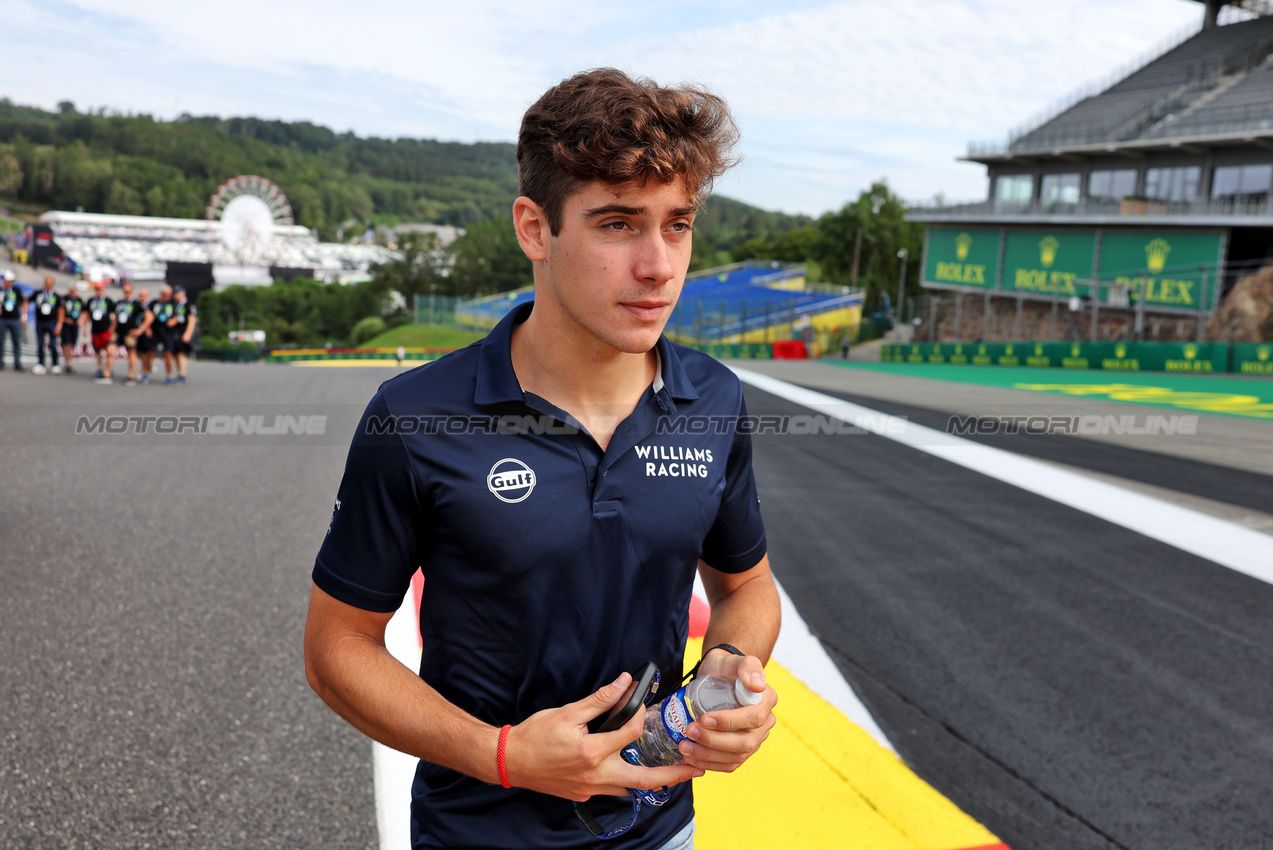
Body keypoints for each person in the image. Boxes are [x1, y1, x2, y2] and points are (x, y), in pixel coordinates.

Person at [305, 68, 780, 850]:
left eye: (678, 224)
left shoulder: (714, 398)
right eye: (618, 224)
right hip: (477, 836)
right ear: (535, 229)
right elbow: (336, 648)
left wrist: (729, 668)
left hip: (660, 831)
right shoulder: (414, 415)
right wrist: (504, 755)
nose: (659, 265)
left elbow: (747, 585)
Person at [112, 281, 150, 386]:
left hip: (131, 333)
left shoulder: (138, 304)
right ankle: (107, 374)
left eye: (128, 291)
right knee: (110, 350)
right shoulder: (119, 303)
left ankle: (132, 375)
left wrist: (141, 329)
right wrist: (112, 330)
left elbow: (149, 317)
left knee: (133, 353)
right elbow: (115, 318)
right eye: (125, 291)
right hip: (119, 331)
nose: (126, 293)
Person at [85, 280, 116, 384]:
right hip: (95, 329)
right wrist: (84, 328)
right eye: (97, 288)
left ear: (103, 289)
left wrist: (112, 329)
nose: (98, 291)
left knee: (109, 351)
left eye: (100, 289)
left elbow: (114, 316)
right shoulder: (91, 301)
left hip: (105, 329)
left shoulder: (108, 301)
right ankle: (99, 368)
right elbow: (86, 315)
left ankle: (108, 369)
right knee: (97, 350)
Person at [32, 276, 62, 375]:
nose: (48, 284)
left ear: (53, 284)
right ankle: (40, 363)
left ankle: (55, 364)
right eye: (46, 282)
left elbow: (61, 310)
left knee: (53, 344)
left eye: (50, 282)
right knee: (40, 343)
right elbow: (26, 300)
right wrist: (24, 315)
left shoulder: (56, 296)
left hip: (52, 322)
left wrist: (59, 325)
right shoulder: (38, 293)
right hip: (40, 321)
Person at [149, 285, 177, 385]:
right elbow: (148, 315)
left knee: (168, 353)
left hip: (167, 332)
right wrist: (147, 328)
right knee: (150, 352)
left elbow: (177, 316)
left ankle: (169, 375)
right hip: (155, 331)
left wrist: (174, 320)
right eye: (166, 295)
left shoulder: (173, 304)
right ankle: (146, 372)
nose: (168, 297)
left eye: (170, 295)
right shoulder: (154, 303)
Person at [0, 270, 27, 371]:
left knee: (16, 341)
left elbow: (24, 302)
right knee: (0, 341)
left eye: (12, 280)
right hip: (2, 319)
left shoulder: (16, 290)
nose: (10, 282)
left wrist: (24, 315)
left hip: (14, 319)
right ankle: (0, 362)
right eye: (8, 280)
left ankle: (17, 362)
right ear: (3, 280)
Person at [170, 286, 196, 384]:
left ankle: (182, 375)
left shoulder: (188, 305)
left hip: (183, 332)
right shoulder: (176, 305)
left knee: (181, 353)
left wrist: (188, 334)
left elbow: (192, 319)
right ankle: (179, 373)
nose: (176, 295)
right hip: (175, 333)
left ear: (183, 294)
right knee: (176, 354)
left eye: (178, 293)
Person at [58, 283, 86, 374]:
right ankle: (67, 363)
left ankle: (69, 361)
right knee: (67, 344)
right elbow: (59, 311)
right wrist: (65, 320)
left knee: (72, 343)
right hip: (66, 325)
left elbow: (84, 312)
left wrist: (80, 320)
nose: (73, 292)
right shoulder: (64, 299)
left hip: (75, 325)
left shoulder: (79, 300)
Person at [135, 287, 156, 384]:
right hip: (138, 332)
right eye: (139, 295)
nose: (140, 297)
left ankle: (145, 372)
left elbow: (150, 318)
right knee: (139, 352)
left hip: (148, 332)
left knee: (148, 352)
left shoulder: (151, 305)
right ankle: (147, 367)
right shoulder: (138, 305)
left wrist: (146, 328)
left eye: (142, 295)